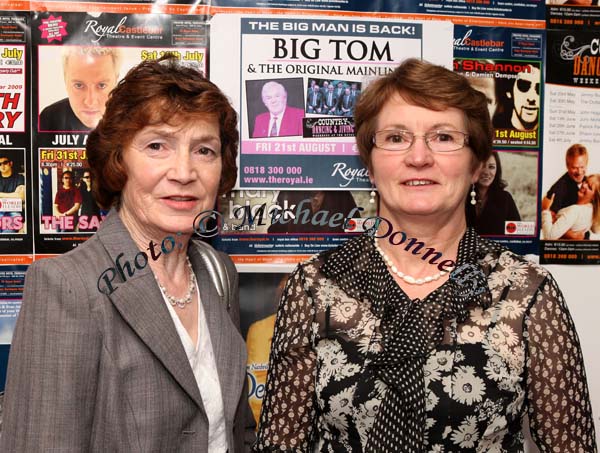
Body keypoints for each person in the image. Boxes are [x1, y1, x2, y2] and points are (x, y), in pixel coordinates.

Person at [255, 59, 596, 452]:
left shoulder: (527, 294)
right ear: (368, 163)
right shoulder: (317, 288)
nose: (419, 157)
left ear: (475, 165)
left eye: (444, 137)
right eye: (396, 138)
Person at [2, 57, 255, 452]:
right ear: (119, 162)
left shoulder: (215, 270)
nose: (184, 172)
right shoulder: (68, 286)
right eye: (157, 146)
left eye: (204, 150)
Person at [39, 46, 122, 132]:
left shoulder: (131, 118)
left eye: (101, 85)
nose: (90, 102)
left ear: (116, 81)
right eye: (78, 85)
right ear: (65, 80)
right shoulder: (49, 118)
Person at [471, 152, 521, 235]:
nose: (486, 172)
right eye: (482, 166)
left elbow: (517, 235)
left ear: (497, 170)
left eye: (491, 167)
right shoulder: (462, 197)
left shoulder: (505, 199)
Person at [267, 190, 360, 234]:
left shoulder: (341, 194)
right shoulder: (288, 193)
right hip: (297, 261)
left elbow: (356, 230)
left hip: (331, 264)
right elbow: (275, 231)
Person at [542, 174, 600, 240]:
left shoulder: (575, 210)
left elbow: (549, 236)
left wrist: (545, 209)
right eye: (586, 181)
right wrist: (571, 235)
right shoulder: (591, 211)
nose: (584, 185)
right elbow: (596, 230)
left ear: (594, 197)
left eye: (589, 187)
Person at [493, 64, 540, 131]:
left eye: (539, 88)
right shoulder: (493, 127)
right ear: (509, 92)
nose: (531, 98)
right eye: (523, 86)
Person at [545, 143, 588, 214]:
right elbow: (552, 217)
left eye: (582, 167)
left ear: (586, 164)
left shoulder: (590, 182)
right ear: (567, 166)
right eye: (574, 168)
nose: (579, 172)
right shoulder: (560, 188)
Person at [0, 152, 25, 233]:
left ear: (10, 163)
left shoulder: (19, 177)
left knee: (8, 234)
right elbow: (16, 195)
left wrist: (0, 194)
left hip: (13, 211)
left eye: (5, 163)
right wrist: (13, 195)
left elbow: (21, 196)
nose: (2, 166)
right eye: (0, 164)